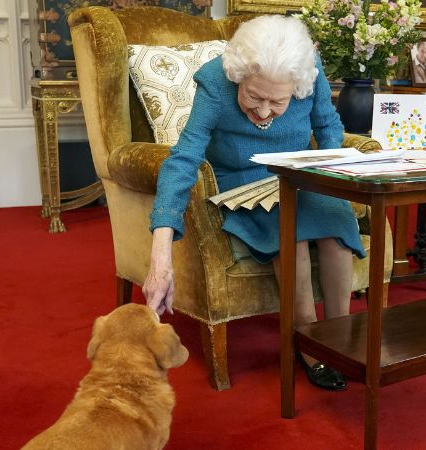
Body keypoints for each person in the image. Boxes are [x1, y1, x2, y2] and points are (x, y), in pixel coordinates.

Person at [143, 15, 363, 392]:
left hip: (301, 174)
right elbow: (183, 159)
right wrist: (160, 252)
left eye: (278, 101)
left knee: (337, 235)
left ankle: (337, 339)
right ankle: (308, 344)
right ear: (238, 75)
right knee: (289, 238)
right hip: (241, 180)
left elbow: (328, 128)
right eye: (253, 97)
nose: (264, 113)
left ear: (297, 84)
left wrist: (331, 175)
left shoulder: (310, 71)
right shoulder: (215, 80)